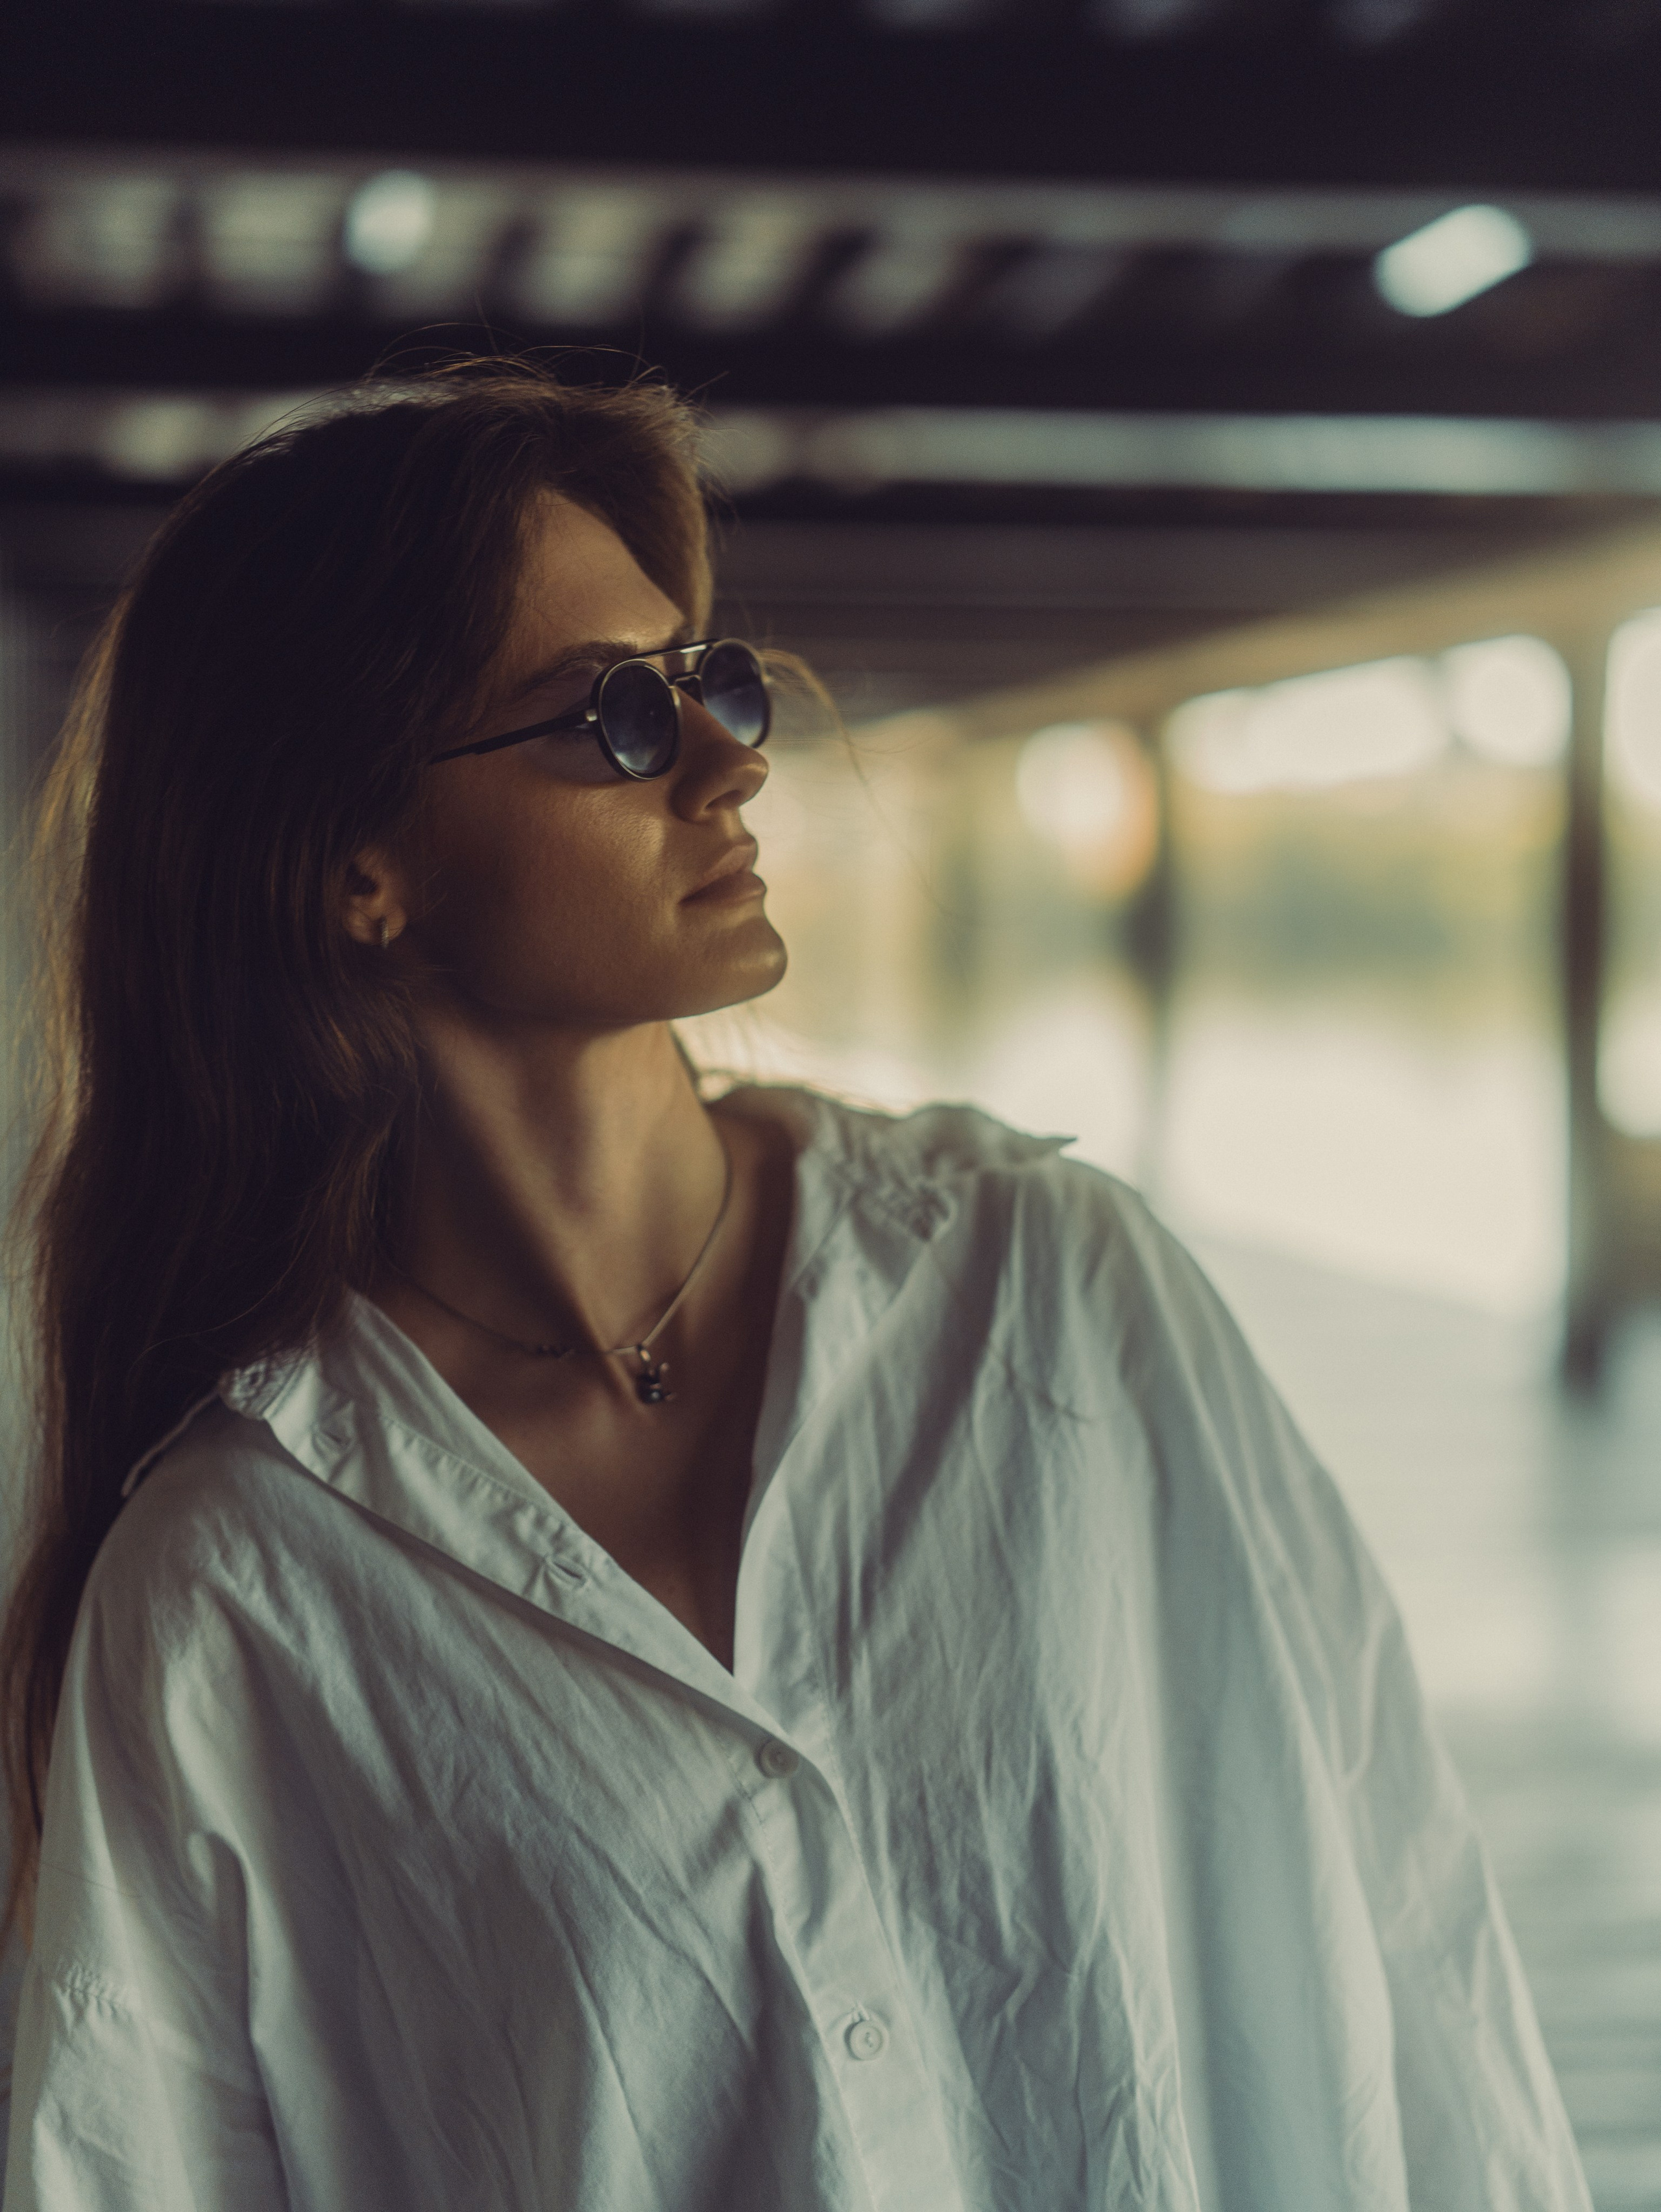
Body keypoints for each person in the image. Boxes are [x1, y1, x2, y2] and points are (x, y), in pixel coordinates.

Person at [1, 360, 1588, 2212]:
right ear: (359, 872)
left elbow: (1412, 1948)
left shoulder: (1055, 1298)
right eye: (611, 715)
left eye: (705, 678)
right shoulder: (234, 1590)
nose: (730, 756)